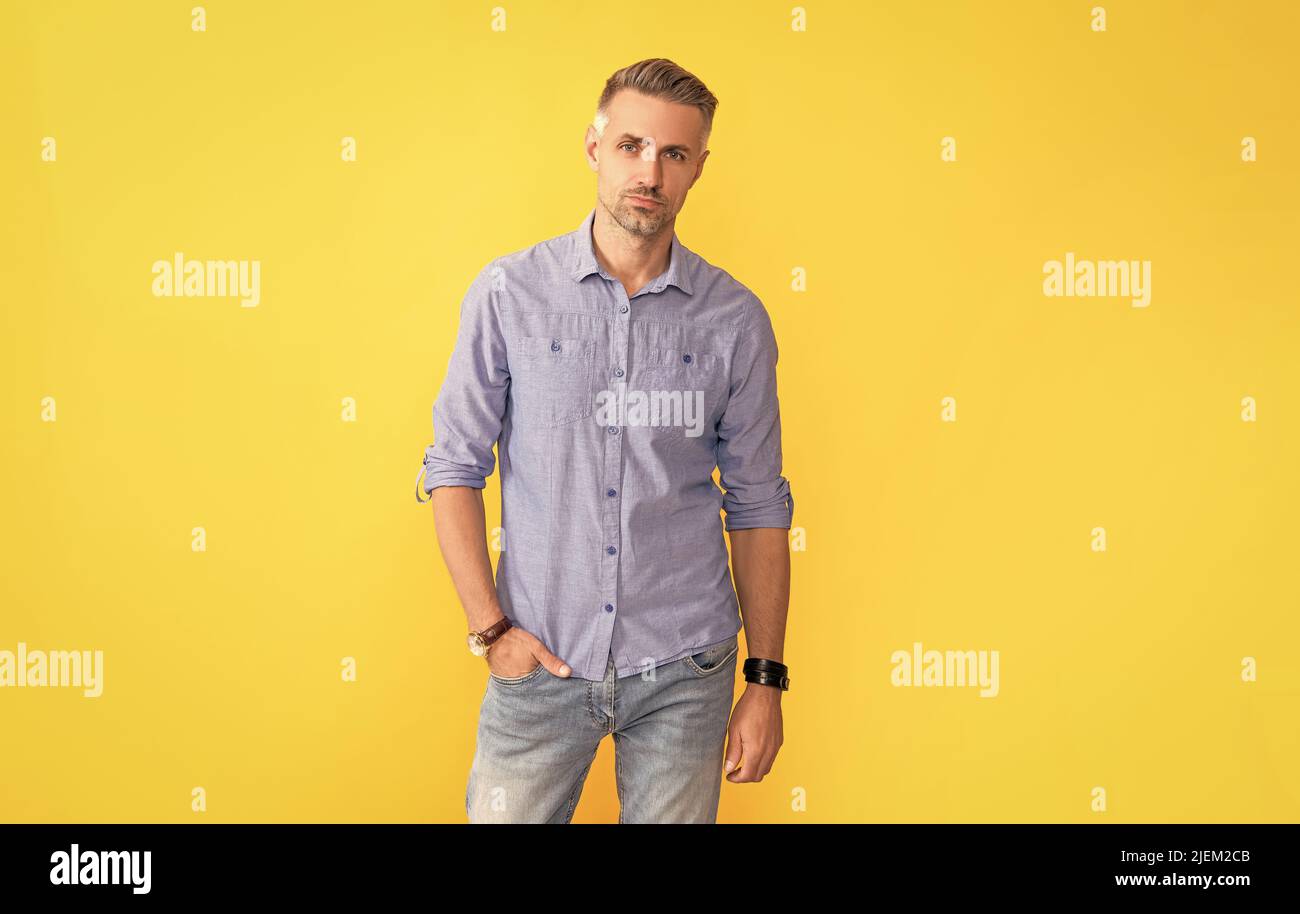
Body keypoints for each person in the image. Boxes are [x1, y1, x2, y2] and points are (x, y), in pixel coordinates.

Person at [416, 57, 794, 823]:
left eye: (674, 154)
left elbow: (757, 505)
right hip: (540, 663)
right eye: (631, 146)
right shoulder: (507, 294)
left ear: (698, 169)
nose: (649, 171)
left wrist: (765, 679)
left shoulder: (735, 321)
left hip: (687, 666)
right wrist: (491, 632)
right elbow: (453, 466)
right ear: (594, 148)